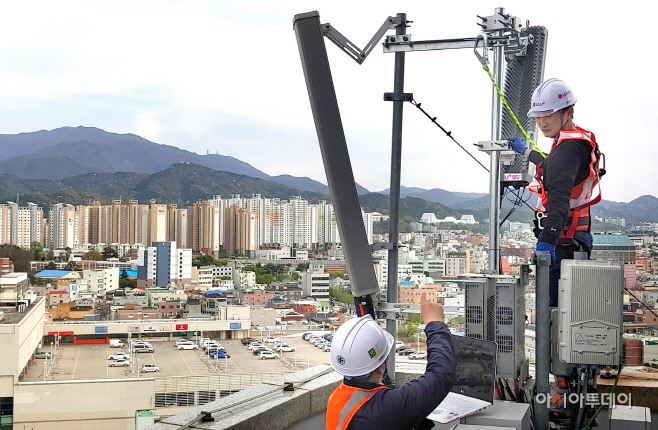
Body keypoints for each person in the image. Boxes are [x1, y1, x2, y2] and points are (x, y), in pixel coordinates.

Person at [509, 78, 602, 307]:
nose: (542, 123)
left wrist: (547, 241)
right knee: (566, 311)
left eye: (547, 115)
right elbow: (552, 166)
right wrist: (527, 152)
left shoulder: (568, 148)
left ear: (568, 112)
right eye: (538, 116)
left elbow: (559, 197)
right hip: (572, 238)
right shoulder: (575, 138)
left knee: (556, 313)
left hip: (564, 241)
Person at [326, 293, 456, 430]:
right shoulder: (384, 408)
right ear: (382, 366)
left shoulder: (338, 399)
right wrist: (434, 323)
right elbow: (442, 375)